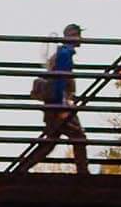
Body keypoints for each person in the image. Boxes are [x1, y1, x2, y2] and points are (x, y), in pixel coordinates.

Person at [21, 23, 90, 174]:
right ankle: (83, 174)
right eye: (79, 35)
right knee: (78, 137)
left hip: (55, 103)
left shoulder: (62, 53)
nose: (81, 38)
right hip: (58, 104)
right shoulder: (65, 54)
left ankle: (22, 169)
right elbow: (59, 81)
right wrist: (62, 107)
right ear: (73, 36)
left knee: (50, 143)